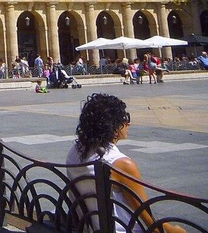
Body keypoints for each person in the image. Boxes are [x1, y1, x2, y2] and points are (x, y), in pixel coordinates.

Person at [66, 94, 187, 233]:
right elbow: (149, 221)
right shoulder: (120, 164)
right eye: (125, 118)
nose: (128, 123)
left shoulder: (76, 151)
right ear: (113, 126)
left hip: (91, 227)